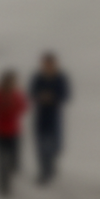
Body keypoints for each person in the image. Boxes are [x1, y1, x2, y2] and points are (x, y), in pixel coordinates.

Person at [29, 53, 71, 184]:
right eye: (45, 64)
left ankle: (51, 166)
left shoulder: (60, 78)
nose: (47, 66)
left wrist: (53, 97)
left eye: (50, 64)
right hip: (41, 116)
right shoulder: (38, 77)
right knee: (41, 146)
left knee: (54, 147)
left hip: (54, 116)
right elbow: (31, 92)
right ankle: (44, 172)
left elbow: (66, 95)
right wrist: (40, 96)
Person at [0, 71, 27, 197]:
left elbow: (23, 108)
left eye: (13, 82)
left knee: (12, 159)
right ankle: (4, 186)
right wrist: (1, 107)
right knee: (0, 160)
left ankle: (12, 169)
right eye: (10, 82)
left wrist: (11, 108)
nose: (12, 85)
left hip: (13, 132)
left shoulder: (17, 95)